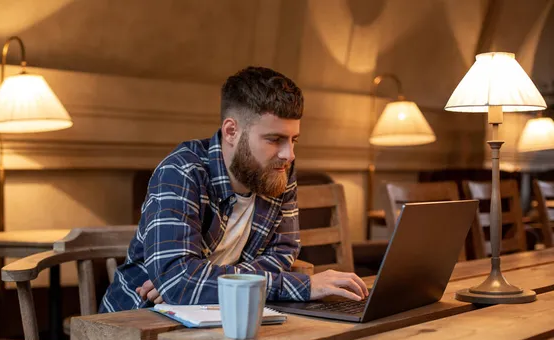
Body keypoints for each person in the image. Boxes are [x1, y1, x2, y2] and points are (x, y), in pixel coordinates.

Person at [100, 66, 368, 312]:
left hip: (216, 315)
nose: (289, 154)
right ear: (231, 132)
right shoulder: (182, 171)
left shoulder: (279, 168)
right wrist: (303, 286)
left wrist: (199, 281)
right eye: (274, 139)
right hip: (137, 323)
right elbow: (180, 284)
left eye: (294, 139)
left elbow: (283, 253)